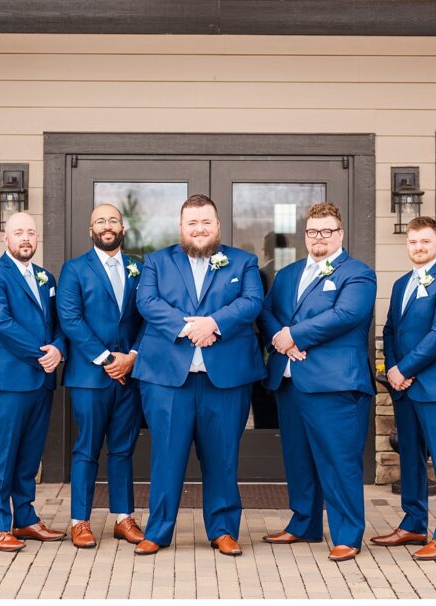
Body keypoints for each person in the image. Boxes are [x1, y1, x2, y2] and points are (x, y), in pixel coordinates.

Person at [131, 194, 266, 556]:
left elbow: (252, 302)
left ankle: (223, 530)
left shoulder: (243, 261)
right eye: (192, 223)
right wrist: (187, 327)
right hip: (168, 380)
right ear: (181, 228)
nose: (200, 229)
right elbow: (147, 302)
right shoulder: (157, 262)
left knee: (223, 457)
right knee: (166, 457)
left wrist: (214, 323)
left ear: (218, 225)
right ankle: (158, 531)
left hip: (225, 379)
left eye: (206, 222)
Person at [258, 202, 376, 562]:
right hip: (291, 382)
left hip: (336, 384)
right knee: (298, 458)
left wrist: (293, 336)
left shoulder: (358, 273)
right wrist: (279, 335)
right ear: (305, 235)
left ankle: (347, 534)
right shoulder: (288, 274)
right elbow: (265, 311)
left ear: (340, 234)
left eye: (326, 231)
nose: (319, 237)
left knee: (339, 462)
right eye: (312, 231)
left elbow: (345, 315)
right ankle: (304, 524)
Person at [373, 216, 436, 561]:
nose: (418, 247)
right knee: (410, 458)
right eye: (413, 242)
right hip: (404, 386)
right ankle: (413, 523)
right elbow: (389, 330)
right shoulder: (400, 284)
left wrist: (405, 369)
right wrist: (393, 370)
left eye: (425, 241)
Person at [0, 212, 67, 552]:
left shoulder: (46, 277)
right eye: (18, 232)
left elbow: (60, 322)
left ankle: (25, 519)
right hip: (6, 382)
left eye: (31, 232)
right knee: (1, 456)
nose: (26, 238)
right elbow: (2, 324)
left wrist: (58, 348)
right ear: (6, 238)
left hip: (41, 382)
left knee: (29, 456)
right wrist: (43, 354)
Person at [56, 204, 145, 548]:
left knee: (123, 449)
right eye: (100, 221)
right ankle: (80, 520)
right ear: (90, 229)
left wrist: (132, 357)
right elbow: (70, 319)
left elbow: (148, 317)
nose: (107, 226)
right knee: (87, 449)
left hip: (130, 375)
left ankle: (124, 518)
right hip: (90, 377)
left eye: (113, 220)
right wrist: (108, 359)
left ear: (123, 227)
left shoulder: (139, 267)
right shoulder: (75, 269)